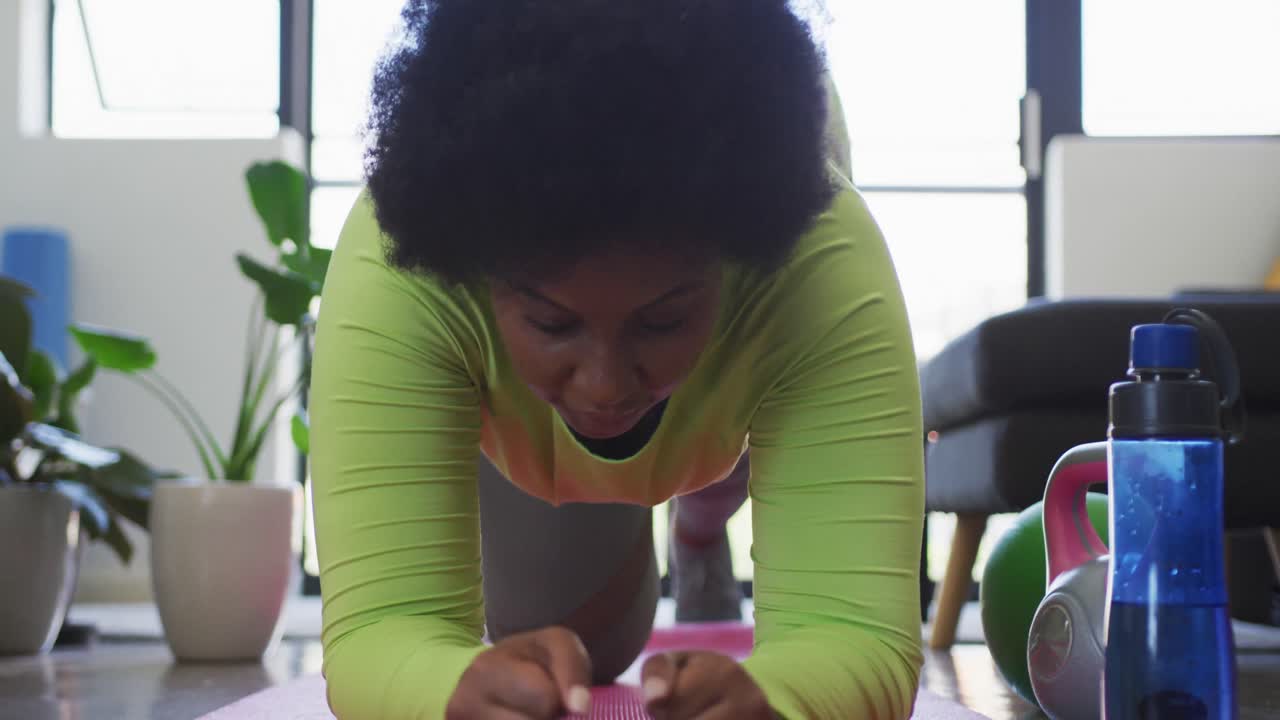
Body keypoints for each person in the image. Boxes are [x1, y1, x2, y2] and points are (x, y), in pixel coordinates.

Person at [309, 1, 924, 718]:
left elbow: (857, 634)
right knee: (576, 649)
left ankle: (702, 515)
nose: (604, 385)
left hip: (739, 377)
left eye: (663, 319)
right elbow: (379, 633)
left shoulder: (817, 263)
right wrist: (445, 692)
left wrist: (778, 700)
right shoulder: (401, 267)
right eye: (550, 321)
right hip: (523, 431)